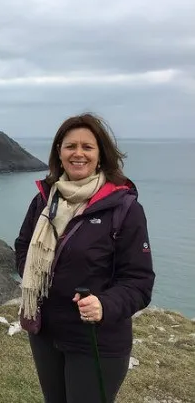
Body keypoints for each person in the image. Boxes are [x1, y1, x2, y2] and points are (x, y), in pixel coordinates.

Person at [14, 113, 155, 403]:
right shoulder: (44, 200)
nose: (78, 153)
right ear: (59, 152)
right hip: (45, 332)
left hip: (96, 339)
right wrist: (37, 280)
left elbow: (139, 282)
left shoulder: (124, 208)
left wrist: (105, 304)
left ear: (101, 155)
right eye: (70, 146)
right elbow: (23, 246)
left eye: (87, 147)